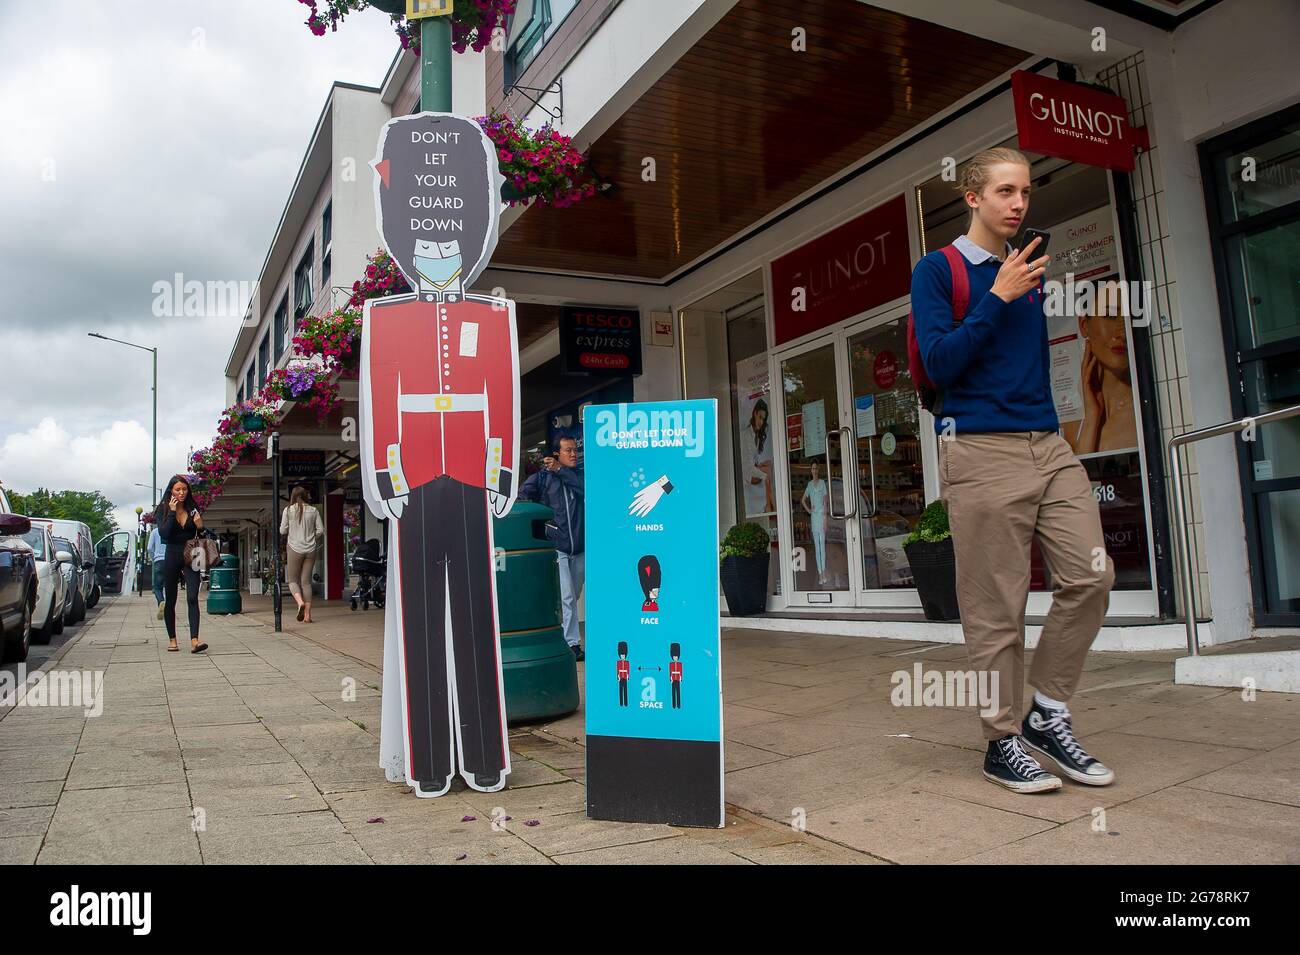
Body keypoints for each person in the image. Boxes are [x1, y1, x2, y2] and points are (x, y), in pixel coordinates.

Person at [911, 146, 1115, 794]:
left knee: (1091, 573)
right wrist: (996, 297)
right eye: (1004, 191)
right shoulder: (938, 270)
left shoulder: (1028, 270)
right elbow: (941, 362)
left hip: (1048, 444)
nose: (1019, 203)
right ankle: (1002, 740)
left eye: (1024, 191)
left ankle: (1048, 711)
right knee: (997, 606)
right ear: (972, 197)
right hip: (979, 450)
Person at [518, 435, 585, 660]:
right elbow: (520, 499)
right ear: (555, 454)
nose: (574, 454)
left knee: (572, 595)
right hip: (558, 547)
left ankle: (561, 633)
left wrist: (561, 471)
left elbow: (586, 491)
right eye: (568, 450)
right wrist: (542, 527)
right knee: (566, 595)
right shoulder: (542, 479)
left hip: (580, 547)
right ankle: (571, 644)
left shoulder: (578, 476)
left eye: (575, 450)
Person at [1063, 283, 1138, 454]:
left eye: (1129, 318)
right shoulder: (1070, 424)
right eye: (1110, 315)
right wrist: (1092, 418)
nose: (1122, 332)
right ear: (1084, 325)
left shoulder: (1145, 412)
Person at [154, 474, 208, 654]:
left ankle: (195, 640)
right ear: (171, 491)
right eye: (178, 489)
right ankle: (173, 640)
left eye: (184, 489)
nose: (182, 493)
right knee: (171, 599)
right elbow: (164, 534)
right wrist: (171, 512)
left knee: (192, 596)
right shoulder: (162, 509)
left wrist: (200, 526)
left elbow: (201, 537)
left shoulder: (193, 509)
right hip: (171, 554)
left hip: (192, 553)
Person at [279, 485, 323, 623]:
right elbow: (321, 530)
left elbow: (282, 531)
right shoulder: (314, 510)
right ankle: (308, 616)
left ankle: (299, 603)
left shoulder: (288, 510)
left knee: (292, 581)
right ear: (305, 496)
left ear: (293, 496)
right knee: (306, 582)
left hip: (294, 548)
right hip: (310, 549)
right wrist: (311, 537)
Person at [800, 461, 829, 585]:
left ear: (819, 469)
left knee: (822, 545)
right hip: (814, 517)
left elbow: (825, 502)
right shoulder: (809, 485)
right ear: (811, 470)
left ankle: (823, 572)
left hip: (821, 516)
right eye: (812, 468)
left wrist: (826, 519)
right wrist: (809, 510)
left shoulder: (822, 483)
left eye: (816, 468)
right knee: (817, 547)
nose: (814, 470)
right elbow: (803, 500)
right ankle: (820, 573)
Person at [148, 524, 167, 619]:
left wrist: (153, 557)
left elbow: (149, 548)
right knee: (169, 587)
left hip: (158, 560)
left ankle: (161, 602)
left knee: (157, 587)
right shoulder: (170, 530)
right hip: (170, 560)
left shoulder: (155, 532)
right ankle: (169, 610)